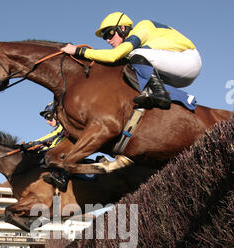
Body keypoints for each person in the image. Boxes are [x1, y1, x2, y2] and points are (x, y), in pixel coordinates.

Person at [61, 12, 202, 110]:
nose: (108, 40)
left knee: (133, 54)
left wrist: (79, 51)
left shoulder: (143, 26)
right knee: (129, 71)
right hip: (177, 73)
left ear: (122, 28)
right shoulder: (134, 45)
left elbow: (113, 56)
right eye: (104, 37)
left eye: (109, 33)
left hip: (188, 59)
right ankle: (183, 98)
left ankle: (161, 94)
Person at [29, 102, 69, 190]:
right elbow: (50, 143)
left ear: (56, 114)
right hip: (62, 150)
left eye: (48, 117)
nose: (47, 122)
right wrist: (35, 149)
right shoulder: (59, 127)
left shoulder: (64, 124)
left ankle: (61, 177)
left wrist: (32, 144)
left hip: (67, 152)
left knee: (49, 155)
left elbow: (52, 137)